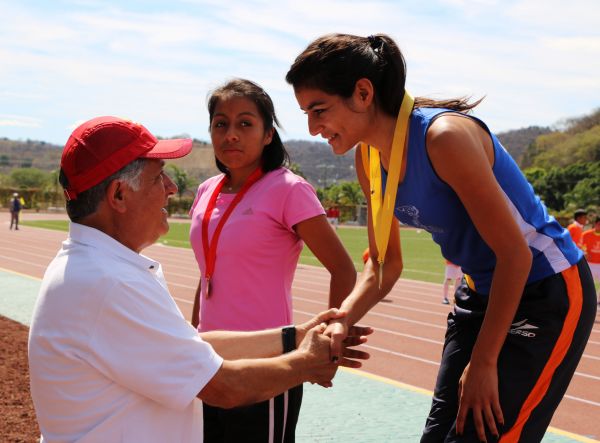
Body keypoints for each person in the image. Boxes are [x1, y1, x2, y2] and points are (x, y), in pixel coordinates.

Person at [286, 33, 597, 442]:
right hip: (480, 291)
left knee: (485, 435)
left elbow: (515, 256)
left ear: (363, 93)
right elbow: (383, 264)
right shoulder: (368, 157)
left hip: (546, 288)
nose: (312, 128)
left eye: (319, 110)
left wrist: (484, 362)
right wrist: (343, 317)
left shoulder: (443, 138)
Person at [28, 116, 370, 443]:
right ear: (119, 195)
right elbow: (223, 387)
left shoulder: (95, 269)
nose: (172, 188)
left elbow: (190, 346)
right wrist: (307, 363)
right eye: (158, 178)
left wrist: (293, 337)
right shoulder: (110, 284)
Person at [189, 79, 357, 442]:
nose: (231, 134)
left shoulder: (287, 189)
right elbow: (207, 273)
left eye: (245, 123)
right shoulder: (206, 191)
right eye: (221, 124)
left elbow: (342, 268)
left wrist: (329, 340)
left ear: (268, 135)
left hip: (268, 363)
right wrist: (190, 338)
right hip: (208, 359)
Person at [581, 216, 600, 304]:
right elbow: (582, 248)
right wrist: (585, 252)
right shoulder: (586, 234)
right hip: (589, 264)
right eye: (599, 224)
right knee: (588, 284)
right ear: (595, 224)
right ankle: (588, 301)